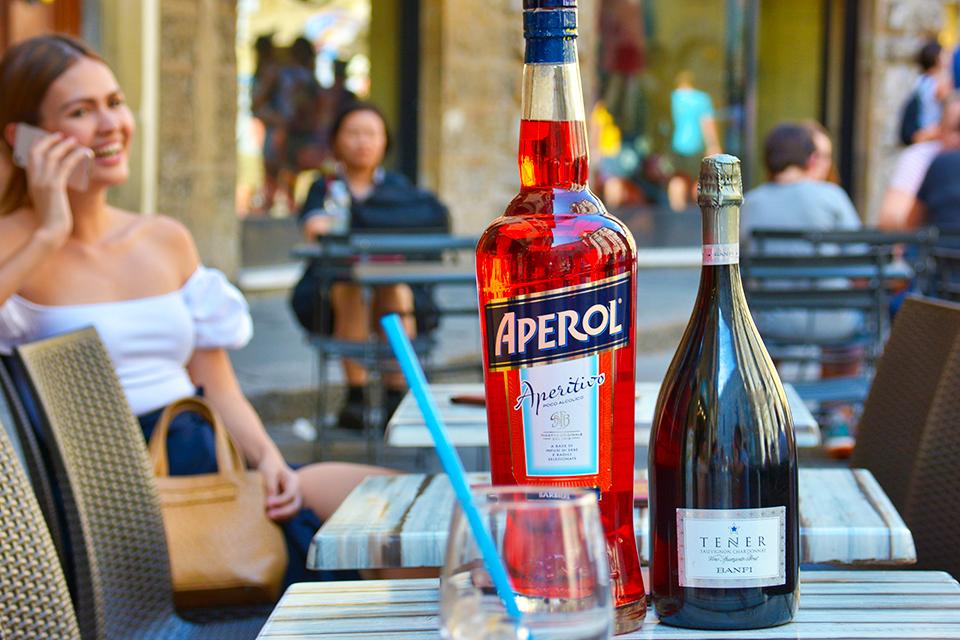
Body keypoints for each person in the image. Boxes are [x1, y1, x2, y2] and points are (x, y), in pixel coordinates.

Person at [0, 34, 391, 585]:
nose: (111, 124)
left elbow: (216, 381)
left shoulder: (164, 238)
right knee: (366, 547)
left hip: (201, 455)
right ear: (24, 138)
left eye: (114, 102)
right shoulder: (13, 245)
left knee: (407, 511)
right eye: (80, 111)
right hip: (106, 495)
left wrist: (267, 458)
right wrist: (47, 231)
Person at [291, 103, 449, 430]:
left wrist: (351, 227)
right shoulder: (324, 187)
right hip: (334, 296)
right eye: (353, 133)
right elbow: (314, 228)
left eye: (371, 134)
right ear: (336, 141)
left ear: (384, 141)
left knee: (394, 289)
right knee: (350, 289)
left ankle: (395, 396)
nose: (362, 142)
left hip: (396, 293)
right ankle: (357, 397)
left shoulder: (400, 189)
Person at [741, 123, 863, 458]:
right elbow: (859, 264)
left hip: (770, 325)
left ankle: (766, 420)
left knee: (758, 327)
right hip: (833, 321)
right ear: (811, 159)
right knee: (853, 325)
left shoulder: (749, 204)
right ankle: (838, 418)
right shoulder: (831, 196)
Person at [878, 93, 960, 230]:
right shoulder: (922, 157)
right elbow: (889, 218)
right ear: (939, 130)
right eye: (957, 129)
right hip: (933, 247)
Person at [906, 92, 960, 244]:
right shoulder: (923, 156)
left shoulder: (942, 163)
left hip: (943, 261)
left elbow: (911, 224)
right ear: (940, 129)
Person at [668, 70, 720, 211]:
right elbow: (707, 123)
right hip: (696, 146)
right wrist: (713, 146)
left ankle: (676, 213)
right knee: (697, 182)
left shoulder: (673, 97)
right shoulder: (701, 99)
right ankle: (696, 215)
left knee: (677, 180)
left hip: (676, 146)